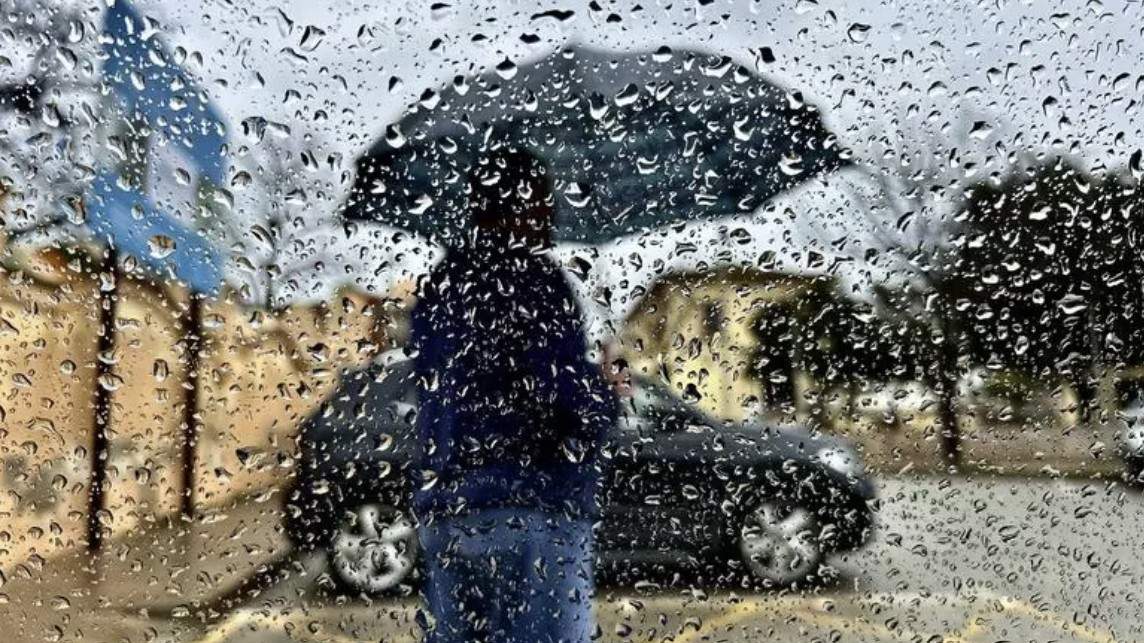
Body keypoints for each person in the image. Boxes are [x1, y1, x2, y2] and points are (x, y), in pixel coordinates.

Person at [409, 147, 618, 643]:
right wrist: (606, 391)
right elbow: (559, 397)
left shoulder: (441, 283)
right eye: (539, 200)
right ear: (506, 205)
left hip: (450, 511)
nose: (550, 213)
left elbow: (438, 390)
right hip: (535, 509)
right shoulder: (537, 282)